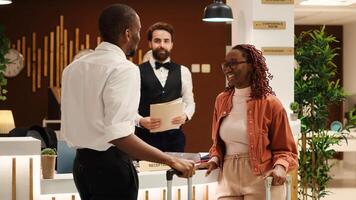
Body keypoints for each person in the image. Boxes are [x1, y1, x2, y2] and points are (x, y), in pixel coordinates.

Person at [61, 4, 195, 200]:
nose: (139, 36)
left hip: (81, 167)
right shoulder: (125, 68)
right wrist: (170, 160)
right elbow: (119, 135)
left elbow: (98, 113)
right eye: (139, 31)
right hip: (111, 169)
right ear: (128, 33)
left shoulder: (72, 69)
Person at [197, 44, 298, 200]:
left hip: (261, 176)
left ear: (251, 66)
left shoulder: (271, 104)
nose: (228, 69)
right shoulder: (221, 100)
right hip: (227, 176)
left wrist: (280, 167)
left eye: (234, 63)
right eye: (225, 64)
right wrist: (214, 159)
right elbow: (217, 143)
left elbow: (286, 149)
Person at [135, 22, 195, 152]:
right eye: (157, 41)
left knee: (175, 172)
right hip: (144, 140)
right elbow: (128, 107)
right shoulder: (135, 71)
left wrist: (185, 116)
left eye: (166, 41)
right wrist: (140, 121)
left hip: (175, 139)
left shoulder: (183, 71)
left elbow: (190, 102)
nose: (162, 45)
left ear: (172, 44)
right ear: (149, 44)